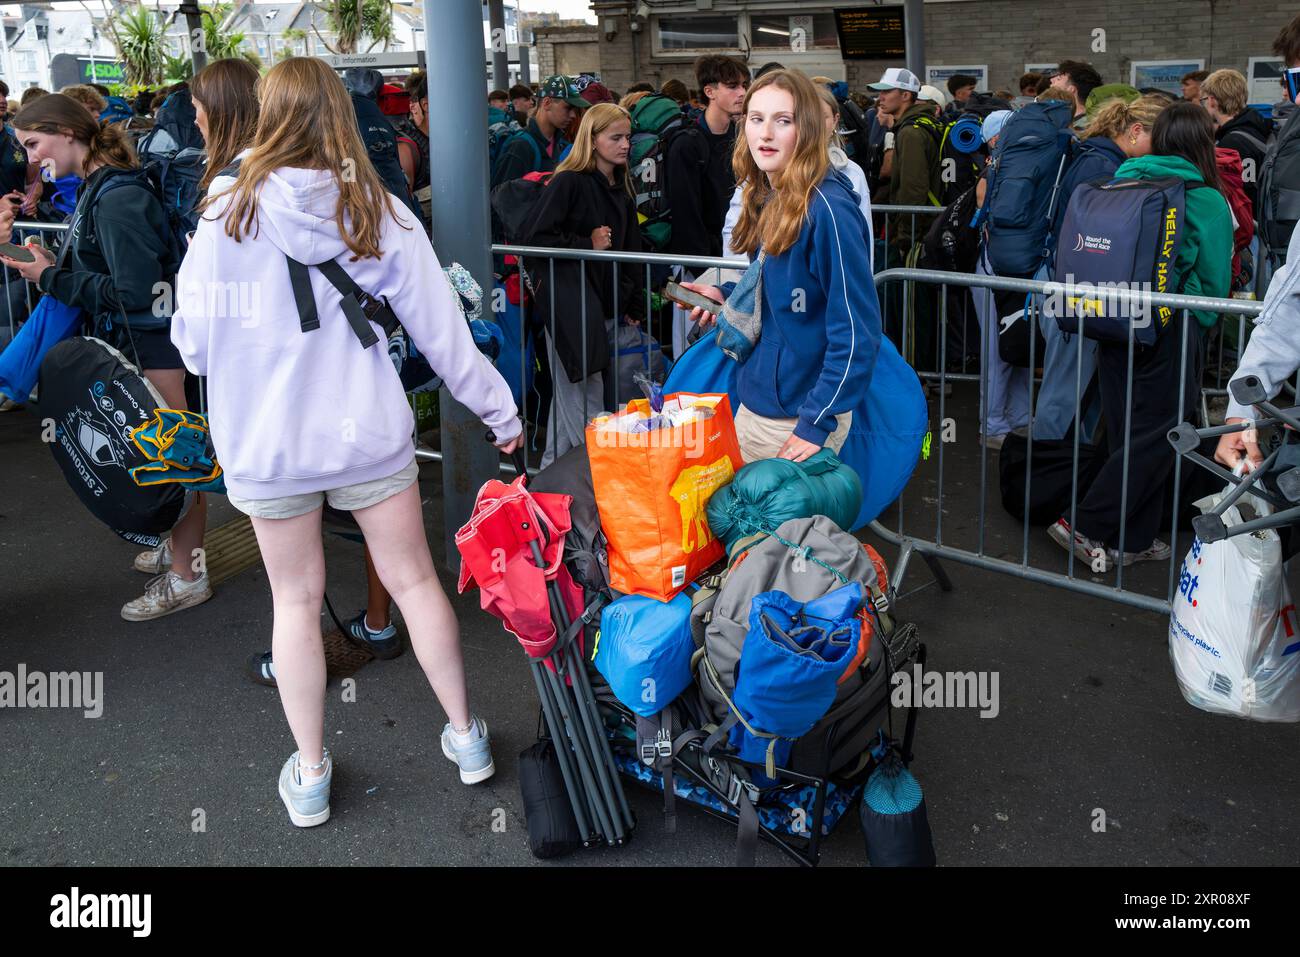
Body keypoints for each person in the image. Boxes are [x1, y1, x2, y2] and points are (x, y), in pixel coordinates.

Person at [170, 57, 521, 827]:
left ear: (266, 116)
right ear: (340, 113)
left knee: (293, 601)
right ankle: (467, 740)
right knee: (417, 582)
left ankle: (313, 772)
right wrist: (502, 414)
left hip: (268, 446)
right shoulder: (377, 208)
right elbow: (446, 334)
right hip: (369, 435)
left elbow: (191, 347)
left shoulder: (224, 211)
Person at [0, 94, 211, 618]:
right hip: (141, 343)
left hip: (150, 343)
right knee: (165, 455)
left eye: (34, 143)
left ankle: (188, 575)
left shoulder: (115, 195)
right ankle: (180, 550)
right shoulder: (106, 185)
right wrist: (54, 267)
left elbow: (135, 289)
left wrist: (48, 276)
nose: (31, 159)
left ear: (67, 132)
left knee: (176, 458)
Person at [1049, 103, 1232, 571]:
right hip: (1173, 326)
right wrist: (1199, 324)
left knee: (1130, 430)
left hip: (1112, 317)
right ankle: (1084, 521)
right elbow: (1212, 280)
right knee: (1164, 434)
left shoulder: (1120, 178)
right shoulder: (1204, 197)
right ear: (1201, 144)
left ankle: (1134, 539)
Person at [679, 68, 880, 465]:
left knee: (774, 529)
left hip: (797, 418)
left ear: (806, 128)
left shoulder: (829, 209)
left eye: (782, 120)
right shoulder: (771, 192)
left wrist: (815, 422)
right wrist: (725, 294)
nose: (765, 134)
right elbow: (778, 291)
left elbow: (857, 331)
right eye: (756, 119)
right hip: (759, 402)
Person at [1032, 95, 1164, 444]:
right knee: (1064, 394)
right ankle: (1045, 476)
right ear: (1136, 131)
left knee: (1078, 393)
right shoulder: (1103, 167)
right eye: (1159, 139)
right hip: (1074, 289)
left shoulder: (1095, 157)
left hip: (1073, 286)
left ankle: (1068, 478)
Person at [520, 103, 647, 468]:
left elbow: (631, 250)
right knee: (583, 404)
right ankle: (594, 484)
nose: (626, 145)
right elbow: (533, 240)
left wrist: (633, 303)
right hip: (572, 310)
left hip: (603, 309)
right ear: (592, 140)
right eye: (616, 137)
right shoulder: (569, 182)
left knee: (573, 407)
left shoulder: (621, 187)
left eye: (628, 137)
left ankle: (552, 485)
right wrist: (585, 245)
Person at [663, 54, 748, 356]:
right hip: (700, 270)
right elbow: (686, 217)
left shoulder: (742, 138)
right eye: (732, 85)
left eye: (743, 85)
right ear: (710, 91)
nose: (742, 92)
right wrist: (709, 272)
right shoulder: (686, 143)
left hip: (734, 266)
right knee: (695, 352)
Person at [490, 74, 590, 188]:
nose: (573, 115)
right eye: (568, 107)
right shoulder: (519, 147)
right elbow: (500, 198)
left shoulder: (563, 145)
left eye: (575, 110)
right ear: (547, 103)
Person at [1201, 69, 1272, 207]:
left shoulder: (1233, 142)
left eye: (1203, 100)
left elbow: (1240, 192)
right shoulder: (1254, 126)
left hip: (1248, 223)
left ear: (1212, 101)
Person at [1050, 60, 1103, 130]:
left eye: (1059, 79)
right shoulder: (1092, 123)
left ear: (1071, 90)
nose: (1051, 80)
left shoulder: (1081, 130)